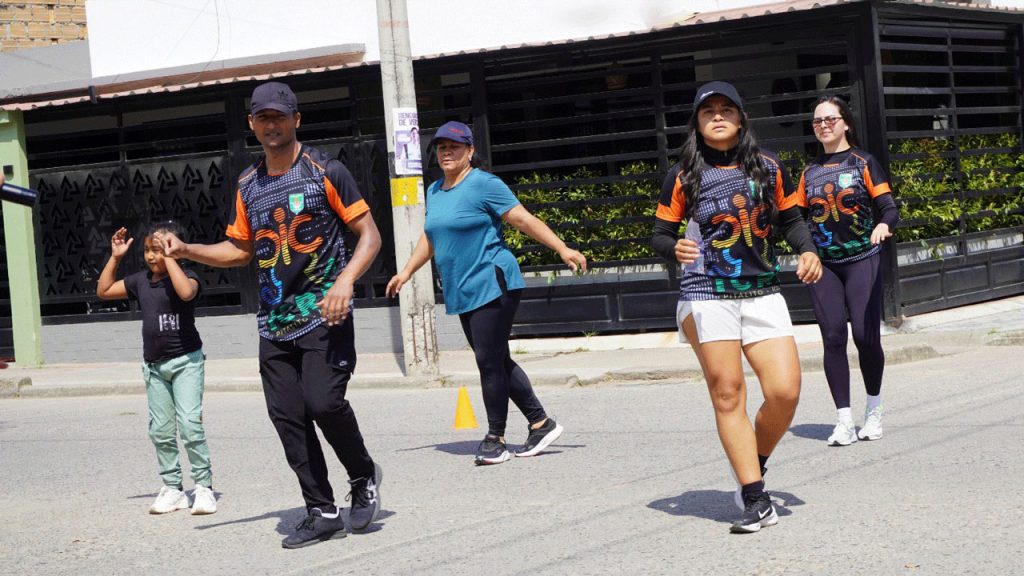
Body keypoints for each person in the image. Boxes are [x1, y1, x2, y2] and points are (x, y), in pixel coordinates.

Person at [160, 81, 383, 549]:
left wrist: (345, 283)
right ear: (252, 124)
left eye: (279, 116)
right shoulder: (247, 184)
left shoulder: (327, 170)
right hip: (274, 321)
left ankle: (362, 475)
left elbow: (369, 235)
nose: (271, 124)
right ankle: (321, 510)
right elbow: (239, 250)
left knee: (323, 403)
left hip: (326, 311)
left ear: (296, 119)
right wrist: (187, 249)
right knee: (287, 416)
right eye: (263, 117)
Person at [651, 81, 822, 533]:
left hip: (762, 290)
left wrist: (807, 251)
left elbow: (791, 218)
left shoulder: (768, 167)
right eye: (709, 112)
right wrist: (675, 251)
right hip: (706, 293)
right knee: (728, 392)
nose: (718, 116)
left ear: (742, 118)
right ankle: (753, 496)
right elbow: (660, 233)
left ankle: (754, 462)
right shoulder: (684, 173)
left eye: (727, 108)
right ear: (698, 123)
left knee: (785, 391)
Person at [385, 121, 587, 466]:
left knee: (488, 361)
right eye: (441, 147)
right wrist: (406, 272)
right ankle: (540, 424)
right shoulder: (435, 191)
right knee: (495, 358)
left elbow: (523, 219)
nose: (447, 152)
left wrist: (562, 248)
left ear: (470, 151)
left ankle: (496, 438)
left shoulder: (484, 184)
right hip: (462, 287)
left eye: (455, 147)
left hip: (493, 280)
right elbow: (431, 237)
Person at [797, 96, 899, 446]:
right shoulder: (808, 173)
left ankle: (873, 410)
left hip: (861, 259)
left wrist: (883, 226)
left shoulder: (864, 162)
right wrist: (803, 251)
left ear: (845, 123)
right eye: (817, 122)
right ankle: (843, 419)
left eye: (829, 119)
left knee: (865, 337)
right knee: (833, 336)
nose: (823, 125)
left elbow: (888, 208)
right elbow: (795, 219)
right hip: (824, 265)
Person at [96, 221, 217, 516]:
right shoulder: (140, 281)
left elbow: (186, 293)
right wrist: (115, 256)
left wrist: (172, 257)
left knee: (190, 426)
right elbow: (104, 290)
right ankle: (173, 488)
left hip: (186, 362)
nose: (151, 256)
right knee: (161, 432)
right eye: (148, 250)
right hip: (154, 368)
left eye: (158, 250)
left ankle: (203, 487)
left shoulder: (188, 275)